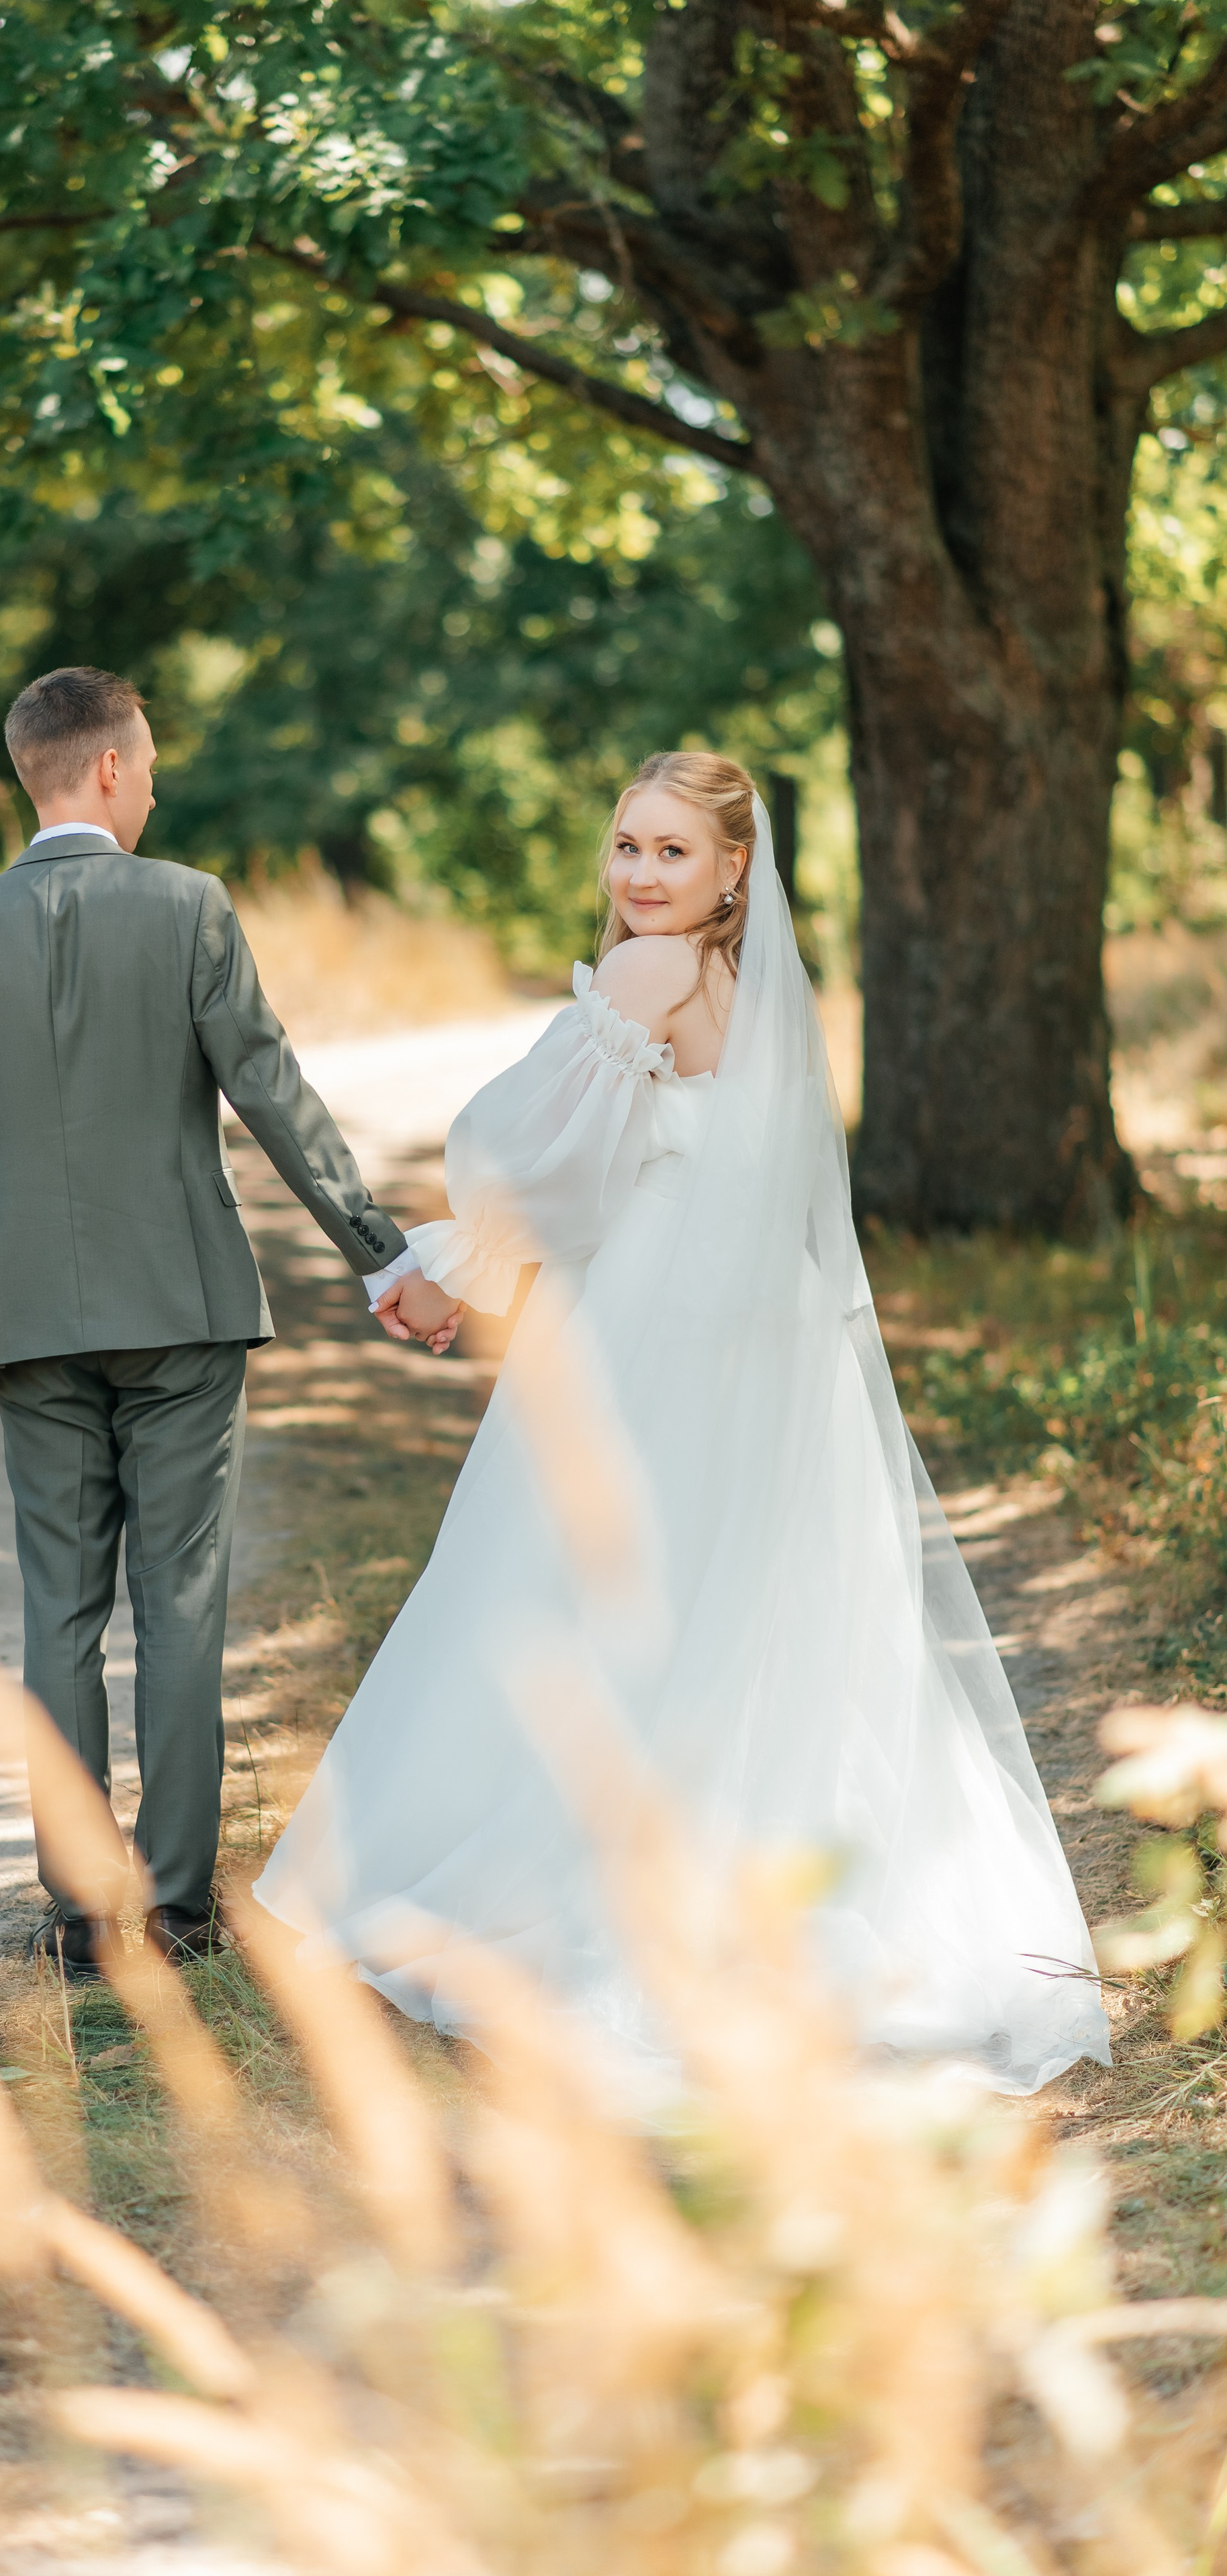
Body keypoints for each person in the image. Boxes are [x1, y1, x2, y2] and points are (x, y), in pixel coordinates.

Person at [257, 752, 1111, 2098]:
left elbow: (529, 1159)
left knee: (577, 1587)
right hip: (763, 1341)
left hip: (657, 1327)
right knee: (744, 1604)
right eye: (626, 847)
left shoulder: (650, 977)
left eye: (670, 853)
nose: (641, 874)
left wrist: (445, 1261)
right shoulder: (757, 991)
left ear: (731, 874)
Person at [0, 666, 425, 1978]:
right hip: (181, 1310)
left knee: (58, 1614)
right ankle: (179, 1910)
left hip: (18, 1315)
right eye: (149, 764)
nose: (154, 783)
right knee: (180, 1602)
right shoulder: (189, 907)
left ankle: (83, 1918)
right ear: (113, 771)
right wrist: (378, 1251)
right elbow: (270, 1090)